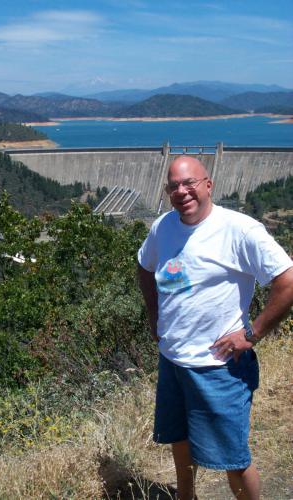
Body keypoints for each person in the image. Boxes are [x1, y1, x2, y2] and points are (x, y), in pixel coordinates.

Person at [137, 155, 293, 500]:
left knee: (232, 457)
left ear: (208, 185)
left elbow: (288, 280)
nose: (182, 191)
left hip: (219, 367)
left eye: (190, 182)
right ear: (167, 192)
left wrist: (251, 333)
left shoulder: (240, 230)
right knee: (179, 437)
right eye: (174, 185)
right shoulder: (162, 227)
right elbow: (145, 268)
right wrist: (154, 315)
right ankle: (186, 495)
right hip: (174, 359)